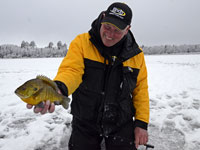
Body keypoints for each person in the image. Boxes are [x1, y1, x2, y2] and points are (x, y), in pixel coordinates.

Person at [27, 2, 149, 150]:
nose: (110, 35)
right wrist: (59, 88)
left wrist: (141, 123)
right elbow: (71, 70)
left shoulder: (136, 55)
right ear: (103, 18)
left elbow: (140, 90)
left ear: (127, 29)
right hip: (85, 120)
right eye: (107, 27)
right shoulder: (82, 43)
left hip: (120, 120)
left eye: (117, 30)